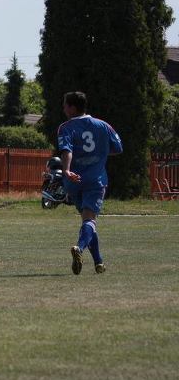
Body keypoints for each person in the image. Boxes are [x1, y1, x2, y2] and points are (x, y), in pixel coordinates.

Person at [57, 91, 122, 275]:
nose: (63, 108)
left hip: (74, 180)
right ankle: (79, 247)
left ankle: (99, 263)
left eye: (65, 105)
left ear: (72, 107)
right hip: (96, 179)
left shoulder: (65, 127)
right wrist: (98, 155)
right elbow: (118, 148)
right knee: (90, 220)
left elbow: (66, 151)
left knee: (87, 220)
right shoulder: (103, 126)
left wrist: (67, 170)